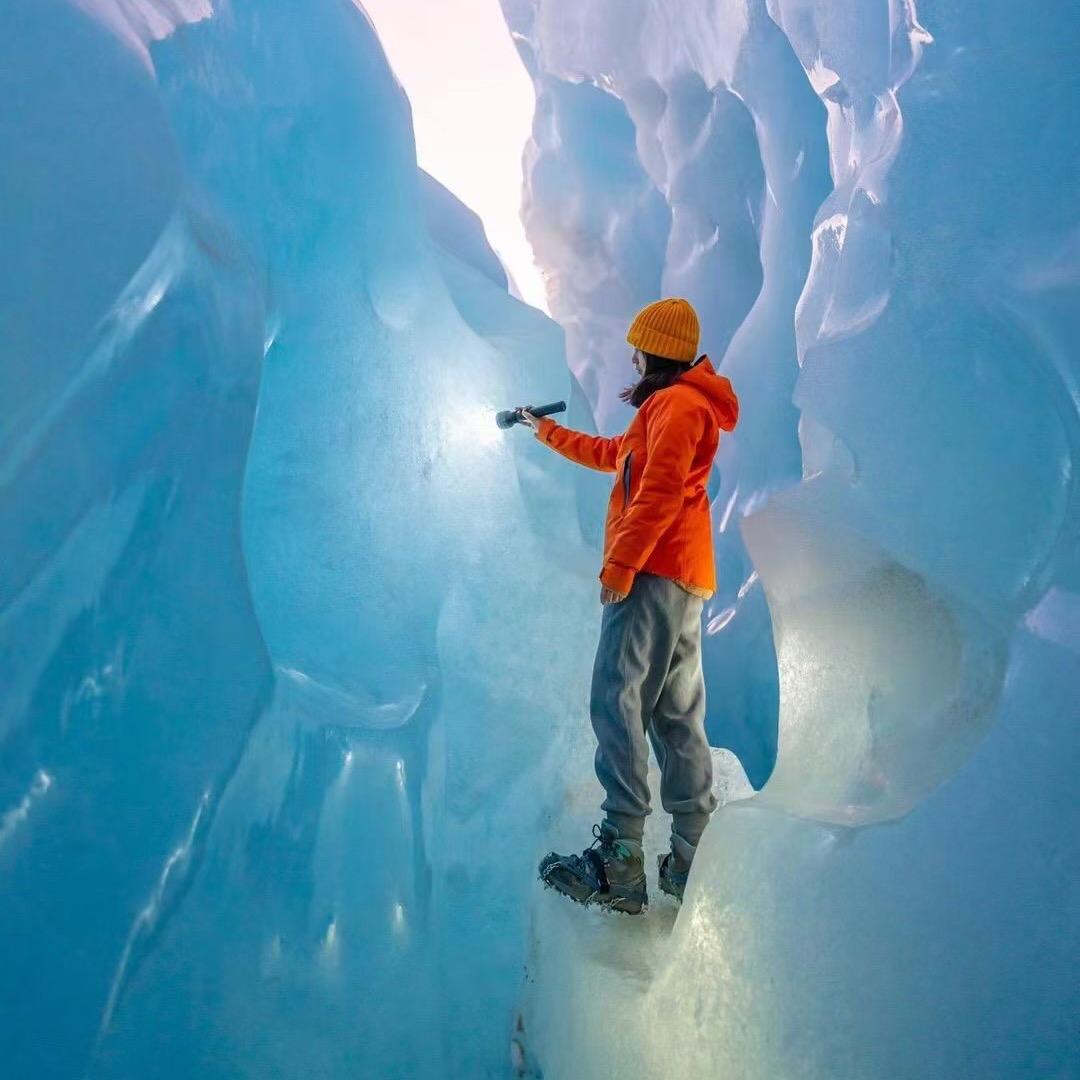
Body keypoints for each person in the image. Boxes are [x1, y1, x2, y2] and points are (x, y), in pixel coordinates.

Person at [520, 298, 739, 913]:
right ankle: (690, 859)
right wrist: (545, 431)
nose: (632, 356)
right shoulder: (676, 409)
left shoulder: (675, 406)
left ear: (656, 350)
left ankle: (620, 858)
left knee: (616, 700)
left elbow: (660, 492)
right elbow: (613, 455)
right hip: (685, 578)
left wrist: (621, 566)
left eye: (638, 347)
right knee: (676, 714)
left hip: (652, 574)